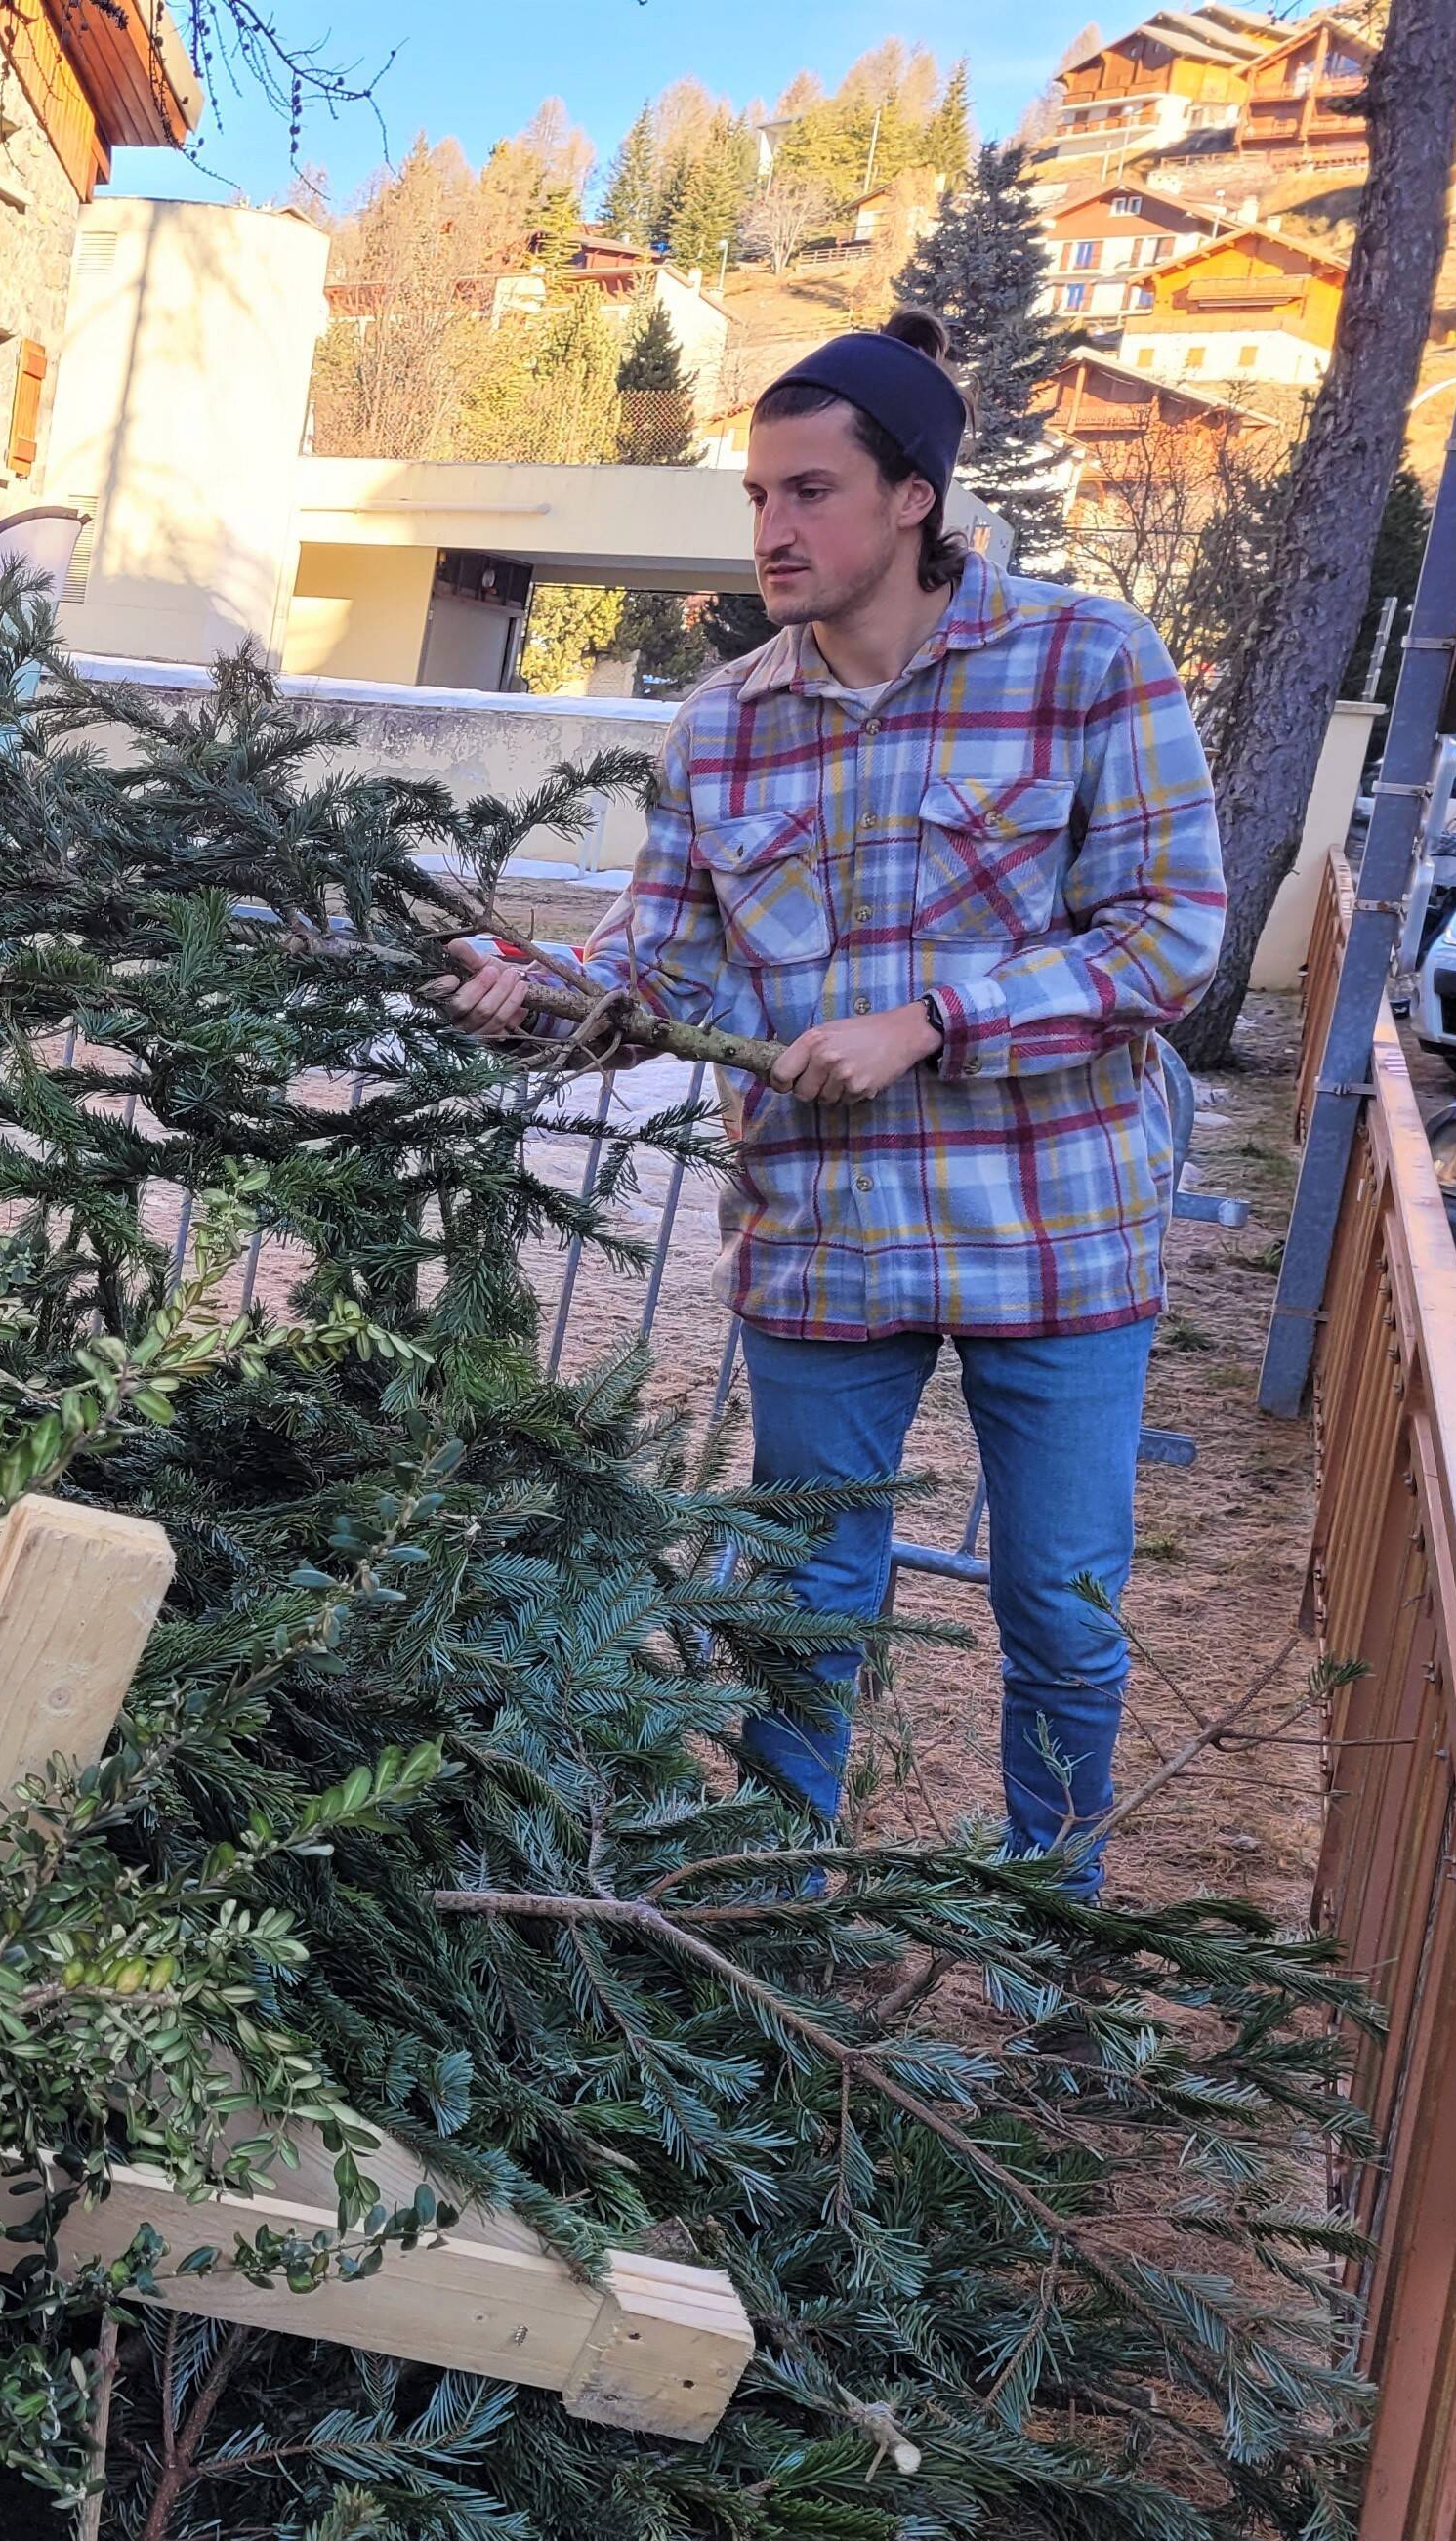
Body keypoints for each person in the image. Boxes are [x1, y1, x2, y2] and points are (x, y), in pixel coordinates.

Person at [439, 311, 1224, 1893]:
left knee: (1065, 1603)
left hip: (1055, 1237)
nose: (770, 531)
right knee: (803, 1596)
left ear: (914, 495)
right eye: (756, 497)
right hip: (823, 1243)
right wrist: (539, 990)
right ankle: (771, 1925)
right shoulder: (723, 721)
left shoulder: (1085, 662)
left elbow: (1170, 938)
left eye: (809, 492)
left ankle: (1052, 1913)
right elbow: (662, 969)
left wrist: (935, 1022)